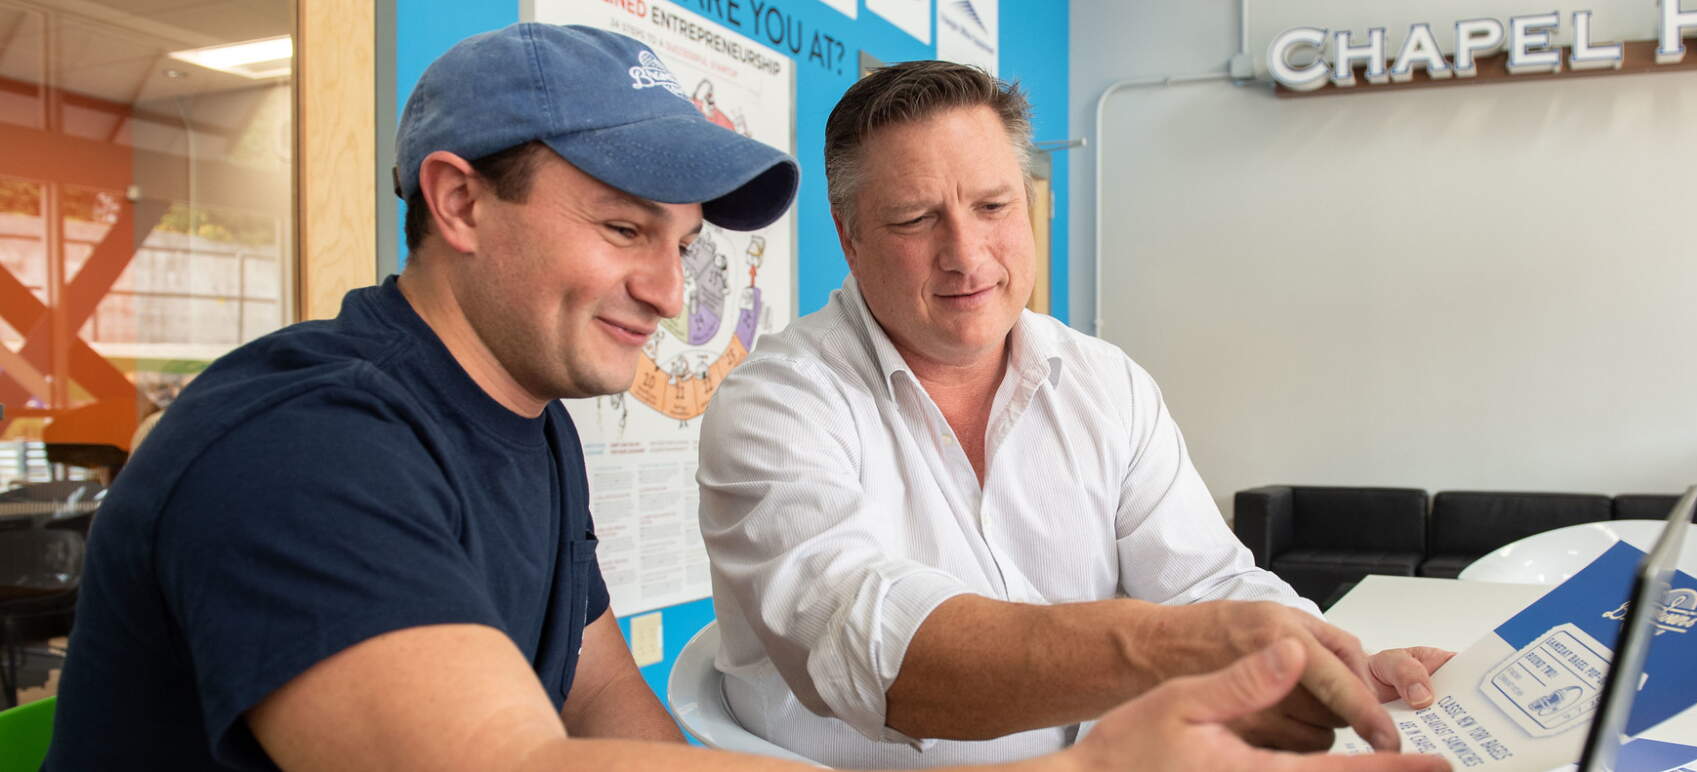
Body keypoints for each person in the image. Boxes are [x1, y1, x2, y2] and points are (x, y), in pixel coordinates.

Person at [42, 23, 1444, 772]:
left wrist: (1294, 663)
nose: (666, 287)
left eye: (682, 239)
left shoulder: (522, 432)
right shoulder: (311, 443)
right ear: (458, 201)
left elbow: (604, 713)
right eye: (619, 227)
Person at [698, 60, 1452, 769]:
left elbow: (1206, 585)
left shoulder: (1106, 383)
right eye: (915, 219)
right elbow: (880, 652)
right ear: (849, 236)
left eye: (993, 206)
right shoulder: (775, 406)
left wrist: (1335, 658)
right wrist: (1170, 649)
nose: (966, 254)